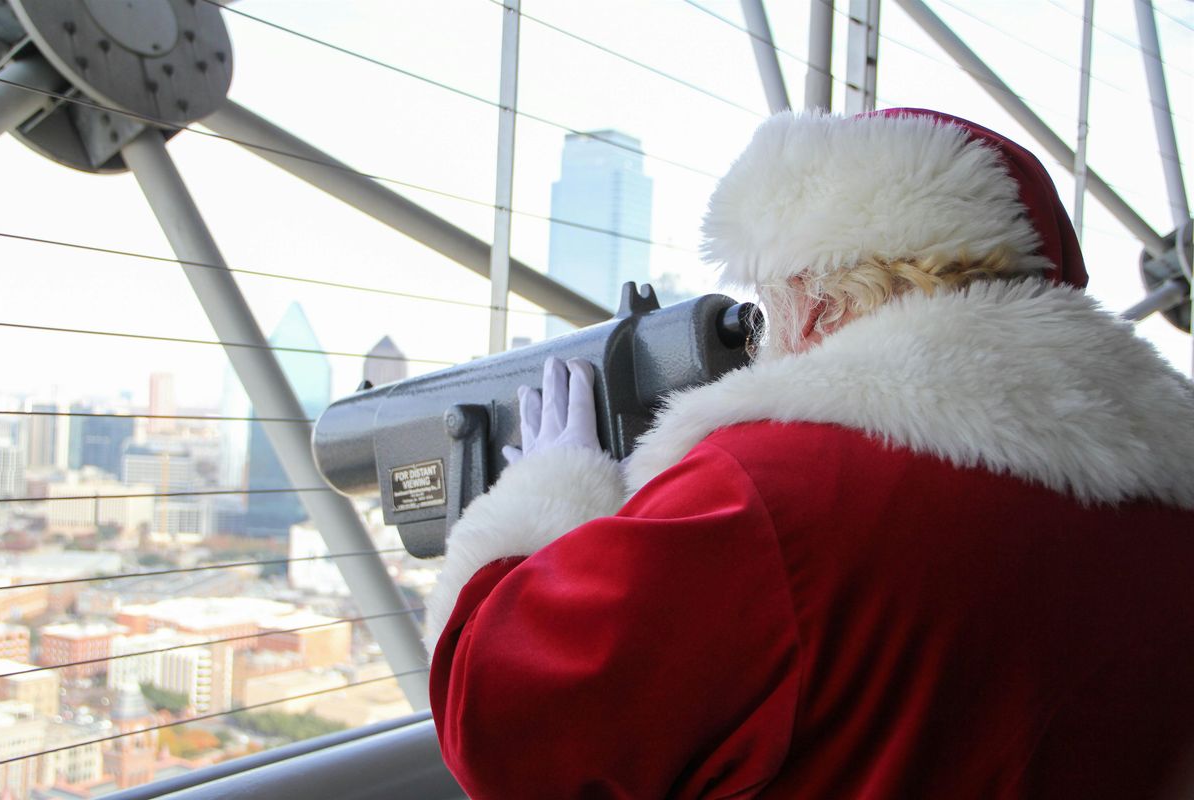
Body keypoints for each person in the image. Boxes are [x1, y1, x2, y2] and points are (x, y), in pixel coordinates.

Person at [424, 108, 1194, 799]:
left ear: (823, 306)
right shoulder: (1166, 501)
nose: (759, 347)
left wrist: (542, 501)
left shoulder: (769, 493)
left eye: (765, 312)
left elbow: (505, 729)